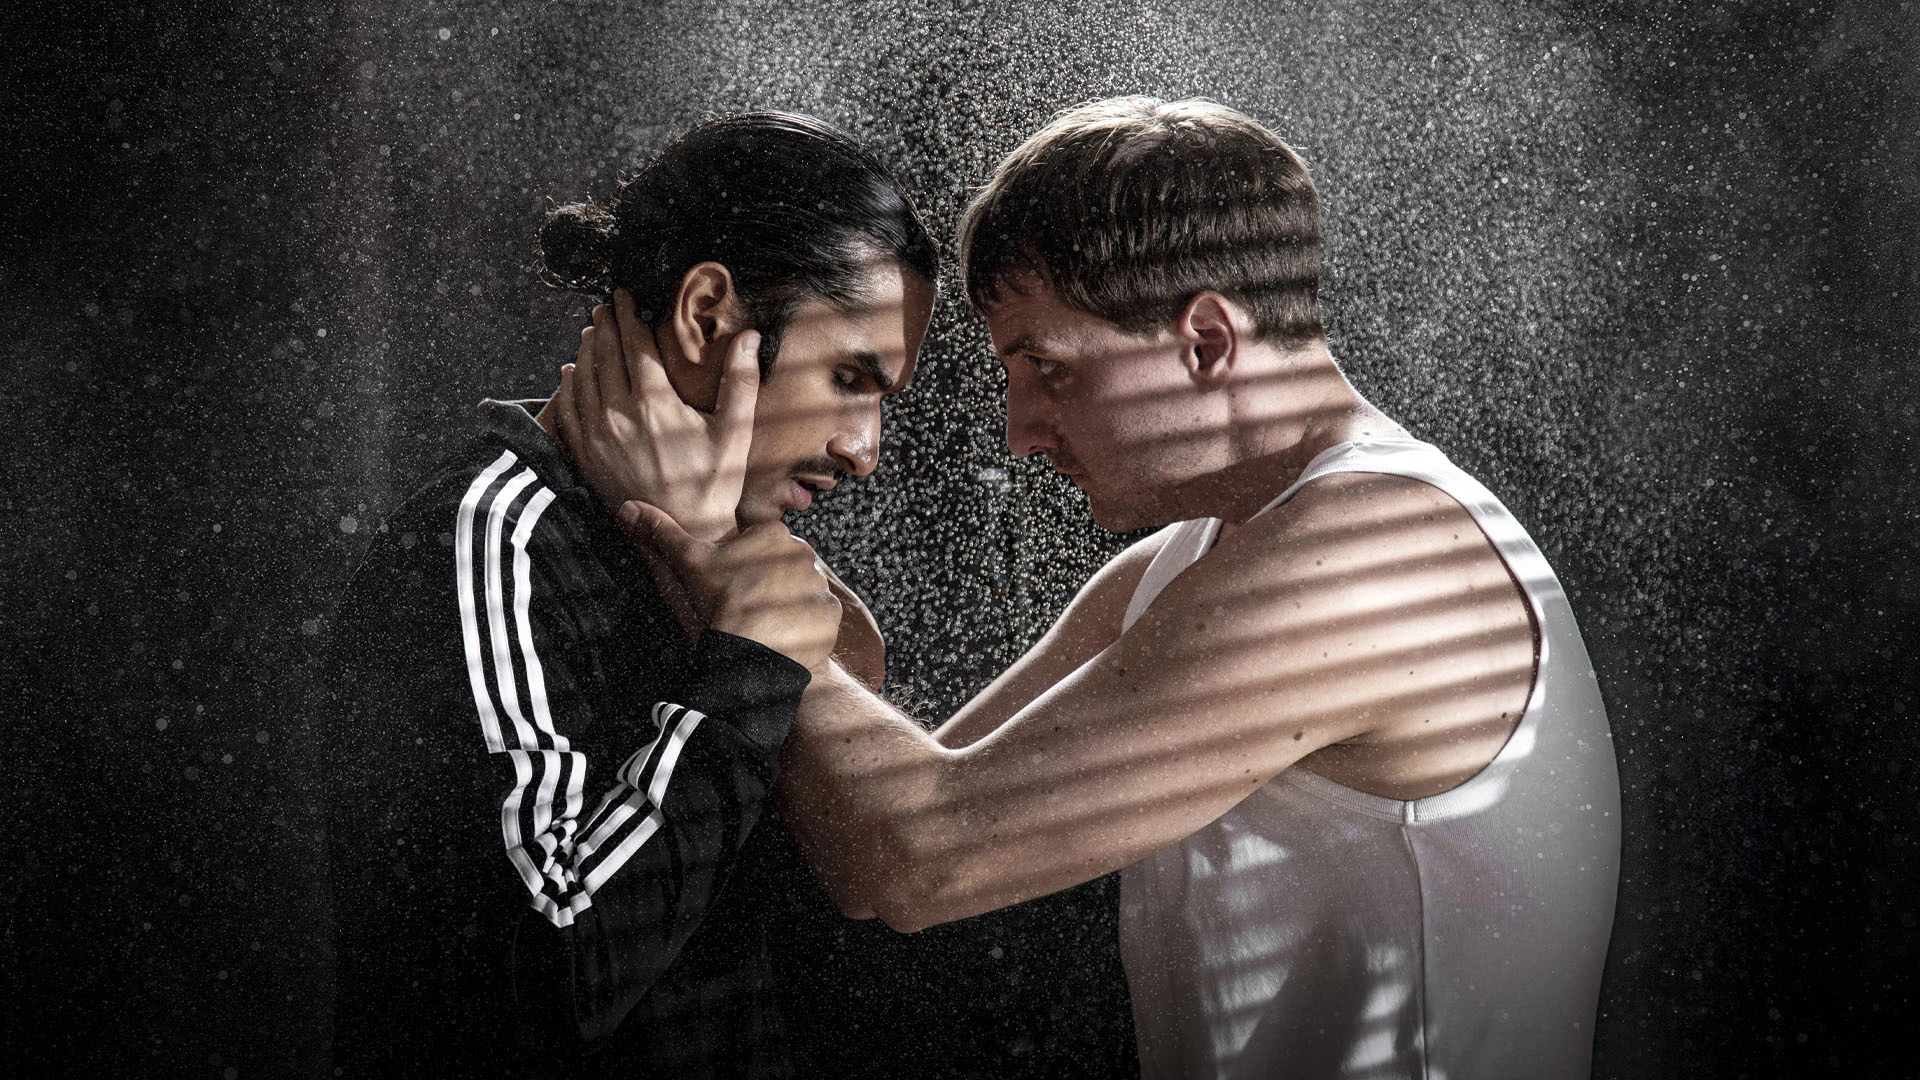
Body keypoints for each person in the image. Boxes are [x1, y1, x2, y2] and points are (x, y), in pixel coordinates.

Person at [594, 97, 1621, 1079]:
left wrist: (716, 552)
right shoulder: (1178, 570)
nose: (1020, 432)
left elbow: (922, 859)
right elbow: (864, 839)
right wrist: (803, 636)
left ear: (1207, 341)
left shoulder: (1378, 557)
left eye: (1048, 368)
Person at [321, 111, 937, 1077]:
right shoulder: (493, 536)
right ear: (708, 316)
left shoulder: (740, 561)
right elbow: (540, 978)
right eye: (850, 377)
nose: (866, 450)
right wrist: (747, 670)